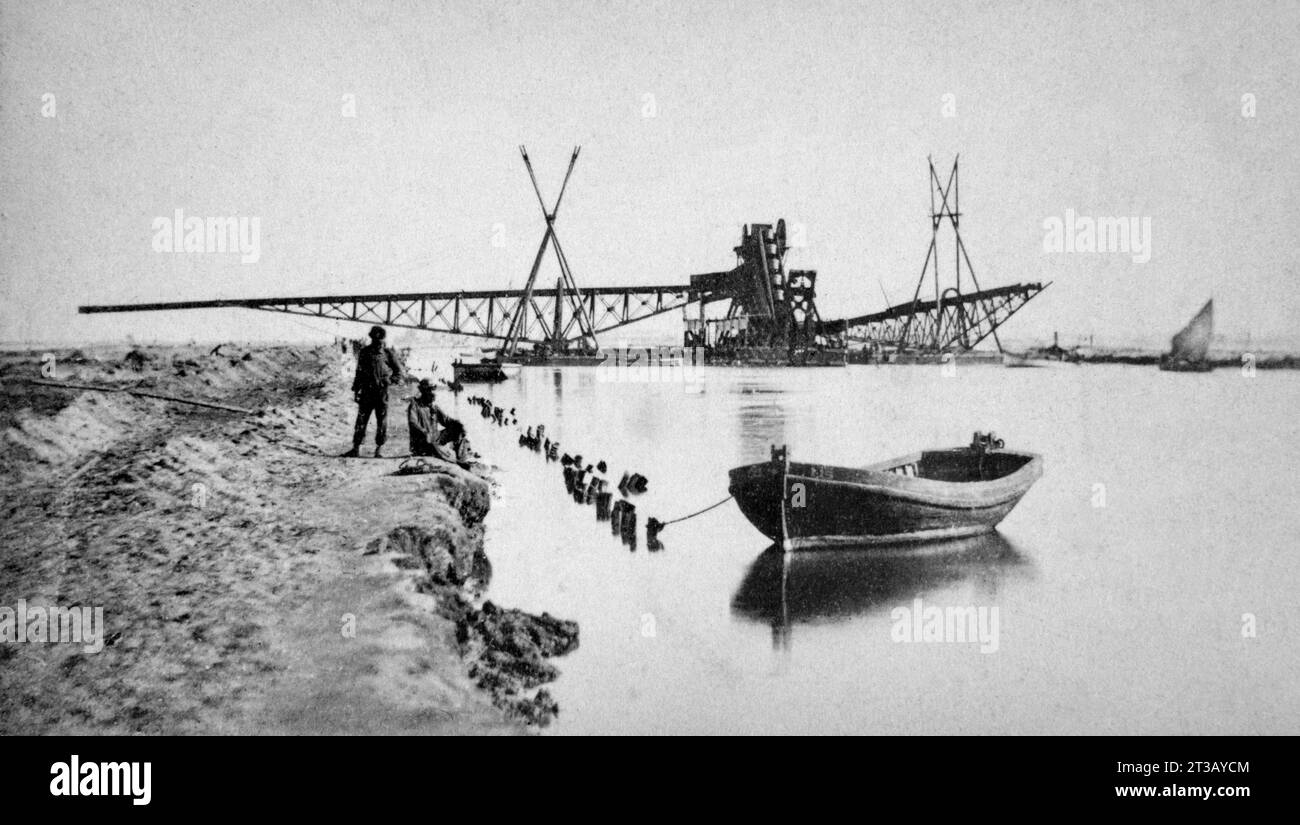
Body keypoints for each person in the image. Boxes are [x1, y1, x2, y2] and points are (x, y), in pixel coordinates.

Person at [343, 325, 403, 458]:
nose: (378, 342)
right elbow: (359, 372)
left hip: (382, 393)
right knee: (361, 420)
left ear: (383, 339)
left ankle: (378, 450)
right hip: (366, 392)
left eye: (380, 339)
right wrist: (356, 389)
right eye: (375, 339)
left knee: (382, 421)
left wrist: (388, 381)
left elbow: (399, 372)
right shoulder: (364, 352)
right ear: (371, 338)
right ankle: (356, 448)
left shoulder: (388, 354)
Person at [407, 378, 452, 457]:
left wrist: (458, 426)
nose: (432, 393)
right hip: (422, 443)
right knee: (430, 441)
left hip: (433, 439)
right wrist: (424, 433)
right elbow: (413, 423)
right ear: (422, 391)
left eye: (433, 390)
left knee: (458, 430)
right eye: (429, 390)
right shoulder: (414, 405)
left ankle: (461, 459)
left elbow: (447, 421)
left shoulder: (434, 407)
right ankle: (440, 454)